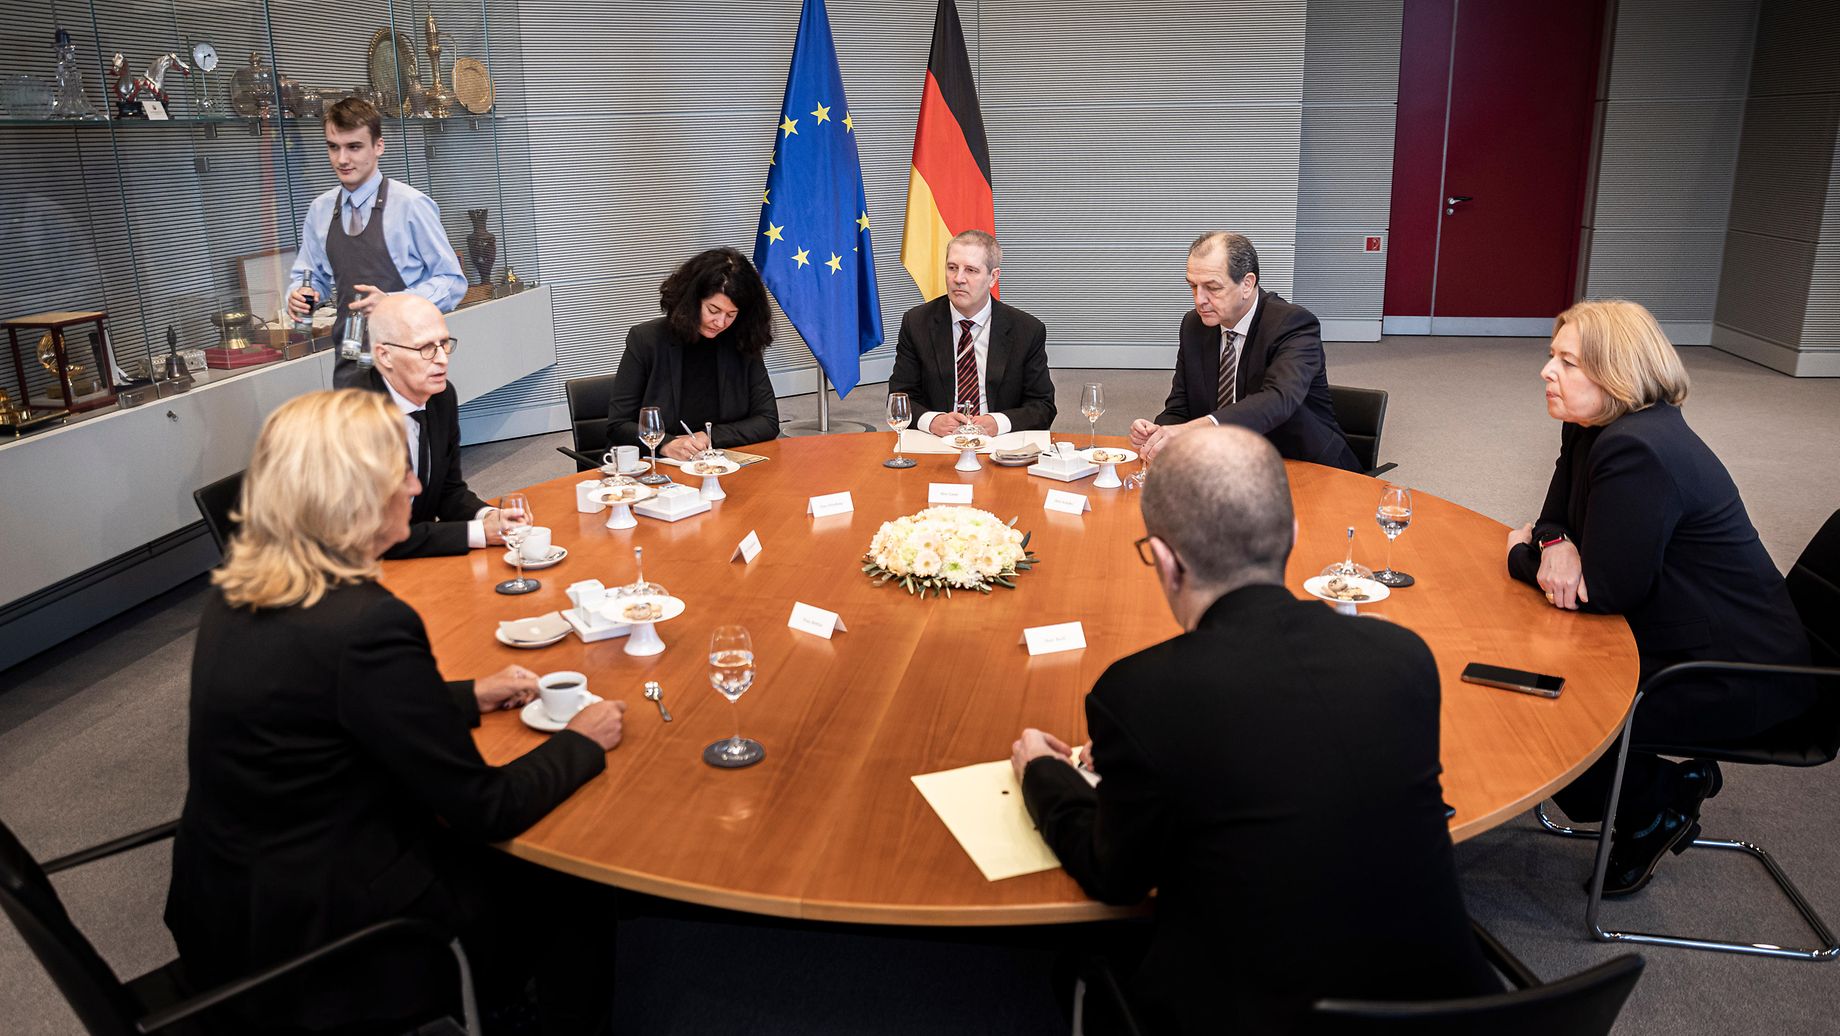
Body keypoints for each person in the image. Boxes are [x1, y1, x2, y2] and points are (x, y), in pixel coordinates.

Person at [165, 388, 626, 1033]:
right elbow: (488, 808)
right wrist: (582, 737)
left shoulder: (245, 588)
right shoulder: (365, 624)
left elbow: (322, 706)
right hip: (331, 941)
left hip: (227, 904)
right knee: (573, 881)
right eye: (400, 470)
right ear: (353, 493)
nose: (415, 484)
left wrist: (469, 695)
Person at [1012, 426, 1496, 1035]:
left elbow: (1118, 877)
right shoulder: (1403, 656)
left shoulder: (1139, 693)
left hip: (1254, 1018)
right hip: (1456, 1015)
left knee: (1075, 970)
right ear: (1291, 537)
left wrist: (1043, 774)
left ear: (1164, 559)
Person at [1507, 299, 1814, 896]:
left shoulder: (1639, 449)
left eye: (1568, 362)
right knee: (1525, 679)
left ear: (1617, 373)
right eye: (1553, 357)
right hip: (1681, 631)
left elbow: (1604, 592)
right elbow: (1550, 519)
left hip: (1736, 670)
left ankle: (1656, 808)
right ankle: (1664, 788)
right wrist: (1550, 542)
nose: (1547, 372)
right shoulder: (1590, 427)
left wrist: (1519, 553)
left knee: (1548, 716)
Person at [1129, 232, 1359, 471]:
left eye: (1212, 288)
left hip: (1301, 465)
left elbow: (1278, 400)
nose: (1199, 300)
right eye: (1193, 286)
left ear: (1247, 284)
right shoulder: (1194, 326)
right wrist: (1160, 432)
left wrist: (1196, 427)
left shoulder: (1293, 324)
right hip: (1225, 466)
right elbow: (1180, 406)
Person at [287, 97, 466, 388]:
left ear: (378, 146)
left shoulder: (411, 206)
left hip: (410, 362)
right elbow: (311, 275)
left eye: (354, 147)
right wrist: (301, 293)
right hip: (351, 362)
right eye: (333, 147)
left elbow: (453, 281)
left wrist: (395, 304)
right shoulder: (320, 211)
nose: (342, 159)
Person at [362, 294, 509, 560]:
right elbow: (377, 534)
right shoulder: (356, 414)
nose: (442, 358)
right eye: (426, 348)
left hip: (418, 558)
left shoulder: (441, 397)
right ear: (385, 356)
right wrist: (477, 533)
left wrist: (489, 516)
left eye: (443, 344)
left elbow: (448, 490)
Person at [607, 247, 779, 459]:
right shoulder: (646, 340)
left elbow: (767, 421)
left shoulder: (741, 340)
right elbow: (618, 425)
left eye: (731, 315)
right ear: (691, 299)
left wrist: (709, 436)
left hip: (718, 464)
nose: (720, 322)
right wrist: (666, 444)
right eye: (713, 310)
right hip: (658, 466)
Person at [887, 230, 1055, 436]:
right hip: (936, 442)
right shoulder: (917, 323)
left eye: (971, 270)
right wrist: (931, 421)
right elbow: (899, 399)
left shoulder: (1026, 330)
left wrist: (999, 422)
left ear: (993, 277)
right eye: (952, 268)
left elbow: (1043, 407)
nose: (958, 279)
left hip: (1000, 444)